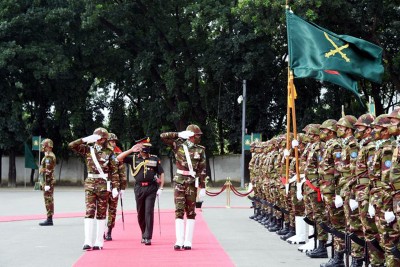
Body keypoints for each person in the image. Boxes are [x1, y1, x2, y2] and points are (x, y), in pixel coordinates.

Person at [69, 128, 119, 250]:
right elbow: (71, 145)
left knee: (101, 213)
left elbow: (114, 171)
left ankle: (99, 241)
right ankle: (87, 241)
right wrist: (84, 139)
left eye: (102, 138)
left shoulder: (109, 152)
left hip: (103, 185)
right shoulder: (88, 149)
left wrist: (116, 187)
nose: (100, 140)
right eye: (98, 137)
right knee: (89, 211)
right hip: (90, 184)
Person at [160, 124, 207, 250]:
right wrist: (178, 134)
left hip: (192, 183)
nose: (199, 137)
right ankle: (179, 240)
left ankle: (188, 241)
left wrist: (202, 187)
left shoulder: (200, 150)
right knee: (179, 210)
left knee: (191, 212)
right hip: (180, 182)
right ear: (191, 136)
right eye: (198, 135)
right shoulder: (178, 145)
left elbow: (202, 170)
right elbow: (163, 137)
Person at [117, 137, 165, 246]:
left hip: (151, 188)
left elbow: (161, 172)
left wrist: (161, 187)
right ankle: (143, 233)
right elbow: (118, 158)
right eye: (144, 148)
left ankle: (148, 237)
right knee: (140, 213)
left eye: (148, 148)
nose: (146, 150)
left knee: (149, 212)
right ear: (139, 149)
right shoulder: (133, 158)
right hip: (139, 188)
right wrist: (131, 150)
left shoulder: (154, 159)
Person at [104, 133, 127, 241]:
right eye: (112, 141)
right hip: (103, 184)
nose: (114, 143)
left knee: (112, 209)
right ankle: (102, 229)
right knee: (102, 209)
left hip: (115, 184)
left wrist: (123, 187)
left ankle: (109, 230)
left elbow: (122, 171)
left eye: (114, 141)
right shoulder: (102, 152)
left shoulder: (118, 152)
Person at [38, 138, 57, 226]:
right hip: (46, 181)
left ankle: (49, 220)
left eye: (44, 146)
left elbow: (48, 171)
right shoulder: (47, 155)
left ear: (47, 146)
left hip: (48, 182)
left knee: (48, 200)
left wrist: (47, 184)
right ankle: (49, 218)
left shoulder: (49, 157)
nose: (43, 147)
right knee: (48, 199)